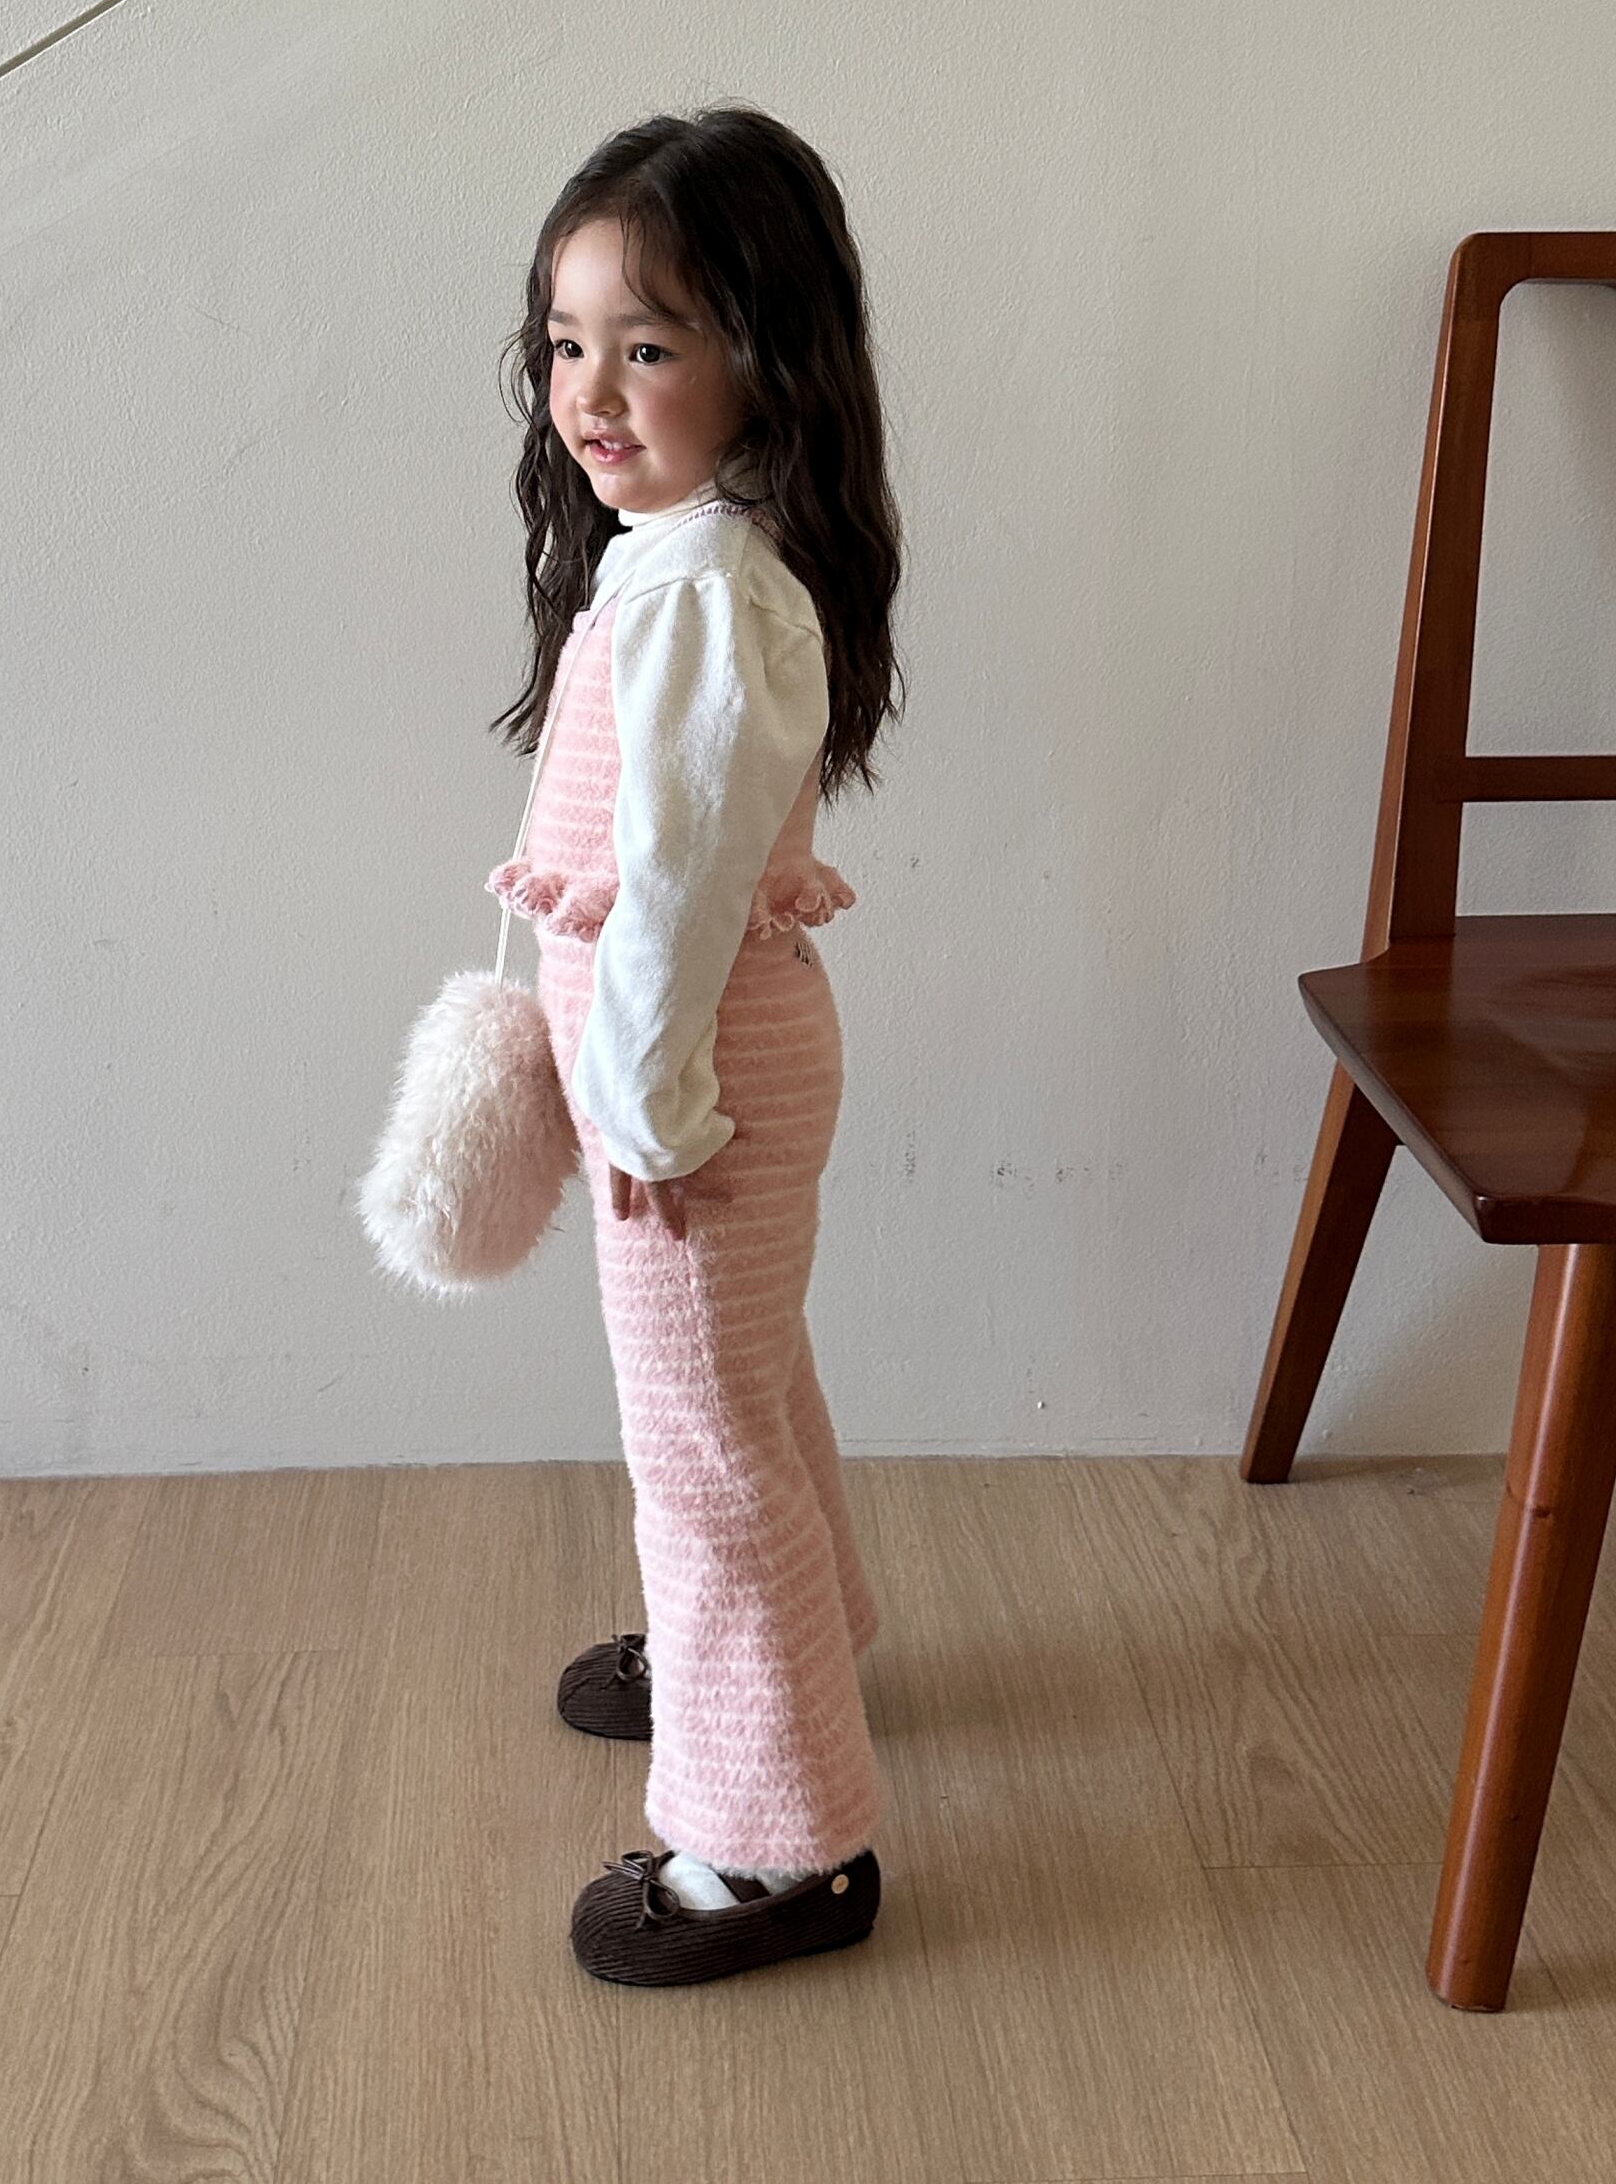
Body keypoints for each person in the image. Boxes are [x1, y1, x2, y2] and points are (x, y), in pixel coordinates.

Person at [485, 103, 904, 1988]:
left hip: (695, 1077)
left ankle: (776, 1839)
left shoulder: (711, 592)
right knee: (746, 1385)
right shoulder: (675, 555)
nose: (590, 390)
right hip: (691, 1064)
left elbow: (674, 883)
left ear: (766, 357)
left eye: (647, 346)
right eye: (567, 342)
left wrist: (648, 1108)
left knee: (701, 1439)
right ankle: (791, 1651)